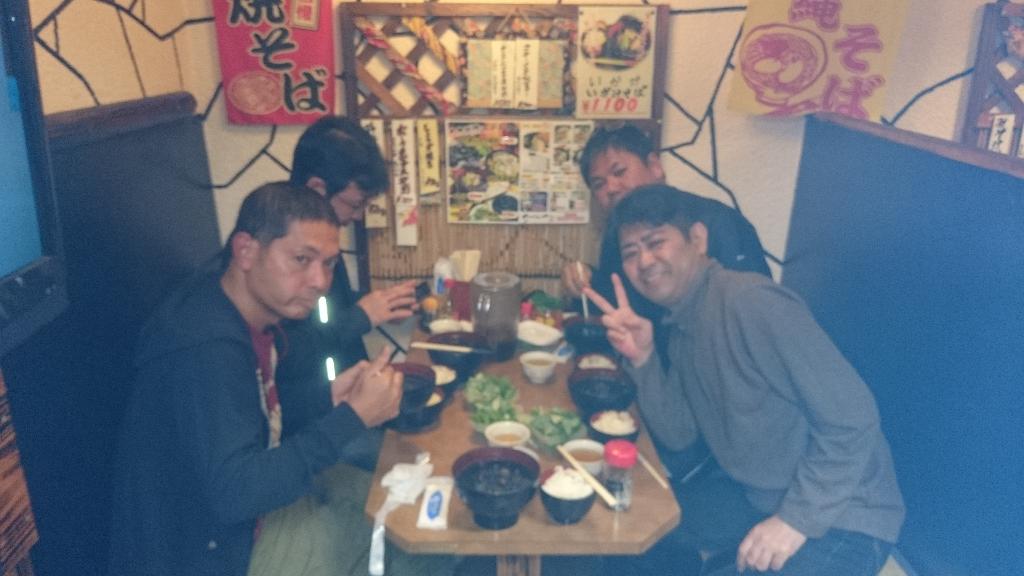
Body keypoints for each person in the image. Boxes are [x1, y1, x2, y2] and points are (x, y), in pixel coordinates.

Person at [108, 183, 450, 576]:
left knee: (405, 505)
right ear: (246, 251)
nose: (320, 281)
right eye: (302, 259)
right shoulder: (205, 346)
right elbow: (236, 493)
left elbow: (251, 418)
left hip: (241, 522)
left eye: (329, 263)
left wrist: (329, 399)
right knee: (421, 551)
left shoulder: (248, 313)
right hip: (213, 552)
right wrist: (351, 418)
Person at [585, 184, 905, 576]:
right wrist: (645, 358)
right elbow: (679, 434)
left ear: (698, 239)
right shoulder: (684, 324)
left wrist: (793, 521)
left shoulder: (751, 302)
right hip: (760, 498)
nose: (644, 261)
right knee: (630, 528)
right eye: (630, 253)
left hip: (845, 517)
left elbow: (853, 418)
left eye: (655, 242)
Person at [276, 117, 418, 464]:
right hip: (310, 425)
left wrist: (380, 305)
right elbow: (288, 354)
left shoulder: (320, 241)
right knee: (405, 455)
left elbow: (325, 313)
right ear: (317, 188)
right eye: (355, 204)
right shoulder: (283, 252)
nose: (357, 216)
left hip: (341, 399)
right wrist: (361, 317)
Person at [561, 124, 771, 328]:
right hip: (645, 351)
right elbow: (614, 304)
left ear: (654, 166)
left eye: (619, 172)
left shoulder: (718, 220)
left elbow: (755, 315)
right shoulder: (616, 235)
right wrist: (585, 281)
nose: (611, 188)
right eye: (599, 184)